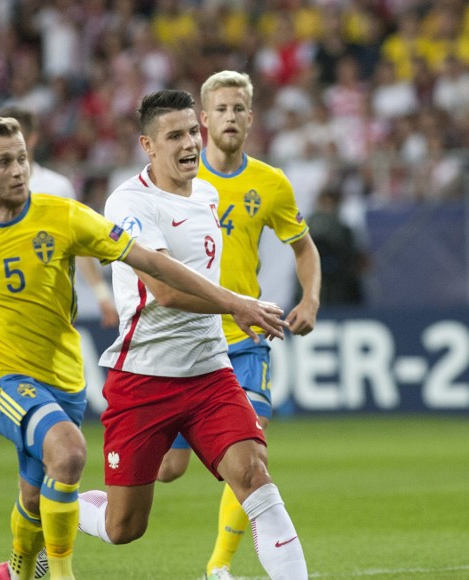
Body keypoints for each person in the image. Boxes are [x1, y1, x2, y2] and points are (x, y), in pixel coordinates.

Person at [0, 116, 287, 580]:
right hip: (0, 377)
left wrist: (231, 300)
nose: (18, 170)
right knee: (69, 453)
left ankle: (18, 571)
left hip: (63, 376)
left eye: (22, 158)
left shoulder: (64, 215)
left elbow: (146, 259)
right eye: (4, 162)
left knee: (34, 498)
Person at [73, 89, 309, 580]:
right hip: (143, 378)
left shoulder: (205, 193)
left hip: (208, 371)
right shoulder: (128, 202)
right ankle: (57, 506)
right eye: (174, 135)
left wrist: (233, 309)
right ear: (148, 145)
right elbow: (164, 289)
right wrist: (236, 303)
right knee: (123, 528)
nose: (189, 144)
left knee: (254, 477)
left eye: (192, 133)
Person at [155, 70, 321, 579]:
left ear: (251, 117)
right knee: (165, 470)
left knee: (251, 453)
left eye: (238, 109)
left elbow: (304, 247)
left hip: (245, 338)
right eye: (220, 109)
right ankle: (64, 510)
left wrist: (310, 299)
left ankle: (218, 567)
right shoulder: (176, 179)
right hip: (184, 339)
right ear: (202, 120)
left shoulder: (270, 184)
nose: (230, 117)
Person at [0, 105, 119, 328]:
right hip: (1, 307)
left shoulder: (57, 187)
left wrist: (102, 294)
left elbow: (78, 243)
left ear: (32, 139)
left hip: (53, 305)